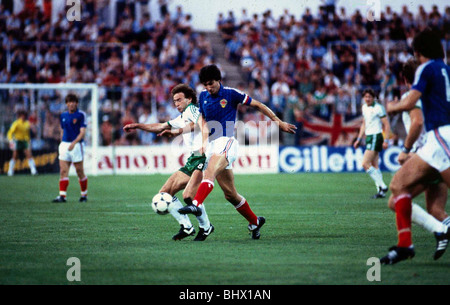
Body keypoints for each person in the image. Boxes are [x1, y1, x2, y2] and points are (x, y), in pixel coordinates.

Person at [177, 64, 296, 239]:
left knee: (208, 173)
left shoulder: (232, 94)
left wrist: (278, 122)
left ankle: (197, 204)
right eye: (205, 85)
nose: (208, 88)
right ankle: (255, 222)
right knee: (230, 194)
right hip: (210, 146)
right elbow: (200, 122)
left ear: (219, 80)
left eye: (211, 83)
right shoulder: (203, 96)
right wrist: (177, 132)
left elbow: (258, 105)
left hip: (226, 143)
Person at [382, 28, 450, 264]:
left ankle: (413, 242)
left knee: (400, 190)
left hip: (441, 136)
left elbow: (411, 103)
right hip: (434, 143)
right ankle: (405, 245)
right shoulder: (444, 69)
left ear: (419, 51)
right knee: (398, 187)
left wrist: (389, 107)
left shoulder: (427, 68)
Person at [123, 84, 214, 241]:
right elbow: (160, 126)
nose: (176, 104)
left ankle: (205, 227)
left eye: (179, 100)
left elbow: (201, 124)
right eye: (174, 101)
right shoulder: (182, 116)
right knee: (164, 193)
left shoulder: (192, 109)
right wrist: (138, 126)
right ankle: (187, 227)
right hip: (193, 158)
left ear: (189, 99)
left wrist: (204, 143)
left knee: (188, 196)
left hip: (203, 156)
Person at [353, 89, 391, 199]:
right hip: (369, 137)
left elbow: (386, 125)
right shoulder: (364, 107)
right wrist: (359, 139)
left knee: (365, 163)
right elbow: (364, 124)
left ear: (374, 97)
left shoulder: (378, 108)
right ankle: (381, 192)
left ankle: (382, 186)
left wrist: (386, 140)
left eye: (369, 97)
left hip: (376, 136)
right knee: (375, 165)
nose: (367, 99)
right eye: (365, 97)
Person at [52, 94, 88, 203]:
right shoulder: (63, 115)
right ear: (67, 104)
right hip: (64, 145)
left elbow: (82, 132)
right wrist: (62, 142)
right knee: (63, 170)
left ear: (76, 103)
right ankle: (62, 196)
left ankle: (84, 195)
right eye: (69, 102)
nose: (71, 104)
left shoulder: (81, 115)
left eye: (73, 102)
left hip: (76, 145)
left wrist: (74, 142)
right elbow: (62, 130)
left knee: (79, 170)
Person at [6, 110, 38, 176]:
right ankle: (10, 170)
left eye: (24, 116)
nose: (23, 117)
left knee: (29, 155)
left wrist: (33, 126)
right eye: (21, 116)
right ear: (19, 116)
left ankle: (33, 170)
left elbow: (33, 129)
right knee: (15, 155)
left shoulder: (27, 123)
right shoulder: (16, 123)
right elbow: (10, 132)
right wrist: (11, 140)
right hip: (17, 141)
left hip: (25, 141)